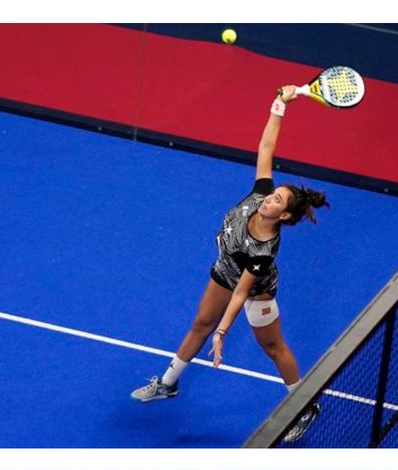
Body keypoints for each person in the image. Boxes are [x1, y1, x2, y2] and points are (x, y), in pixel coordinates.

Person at [132, 84, 329, 443]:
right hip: (225, 268)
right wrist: (280, 104)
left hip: (256, 291)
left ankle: (304, 404)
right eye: (273, 193)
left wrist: (223, 334)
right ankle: (168, 383)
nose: (269, 199)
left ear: (284, 216)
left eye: (276, 200)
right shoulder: (257, 195)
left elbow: (241, 294)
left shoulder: (263, 250)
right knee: (199, 324)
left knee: (272, 347)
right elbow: (266, 147)